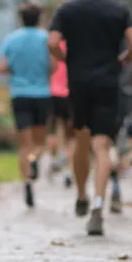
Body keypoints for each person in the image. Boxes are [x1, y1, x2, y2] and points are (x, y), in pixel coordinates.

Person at [48, 0, 132, 236]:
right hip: (108, 82)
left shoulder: (67, 8)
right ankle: (99, 204)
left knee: (80, 138)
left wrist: (65, 58)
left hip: (78, 82)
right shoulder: (120, 8)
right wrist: (124, 59)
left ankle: (80, 195)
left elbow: (52, 42)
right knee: (102, 145)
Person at [0, 1, 54, 208]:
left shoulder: (11, 39)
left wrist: (16, 71)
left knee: (24, 143)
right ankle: (34, 160)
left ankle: (27, 181)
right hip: (42, 94)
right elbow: (54, 66)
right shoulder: (46, 39)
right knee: (40, 143)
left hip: (19, 94)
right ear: (39, 18)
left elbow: (2, 67)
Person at [50, 38, 72, 187]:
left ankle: (57, 156)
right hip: (70, 92)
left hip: (54, 92)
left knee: (57, 128)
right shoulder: (75, 44)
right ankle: (68, 170)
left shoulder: (53, 46)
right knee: (72, 134)